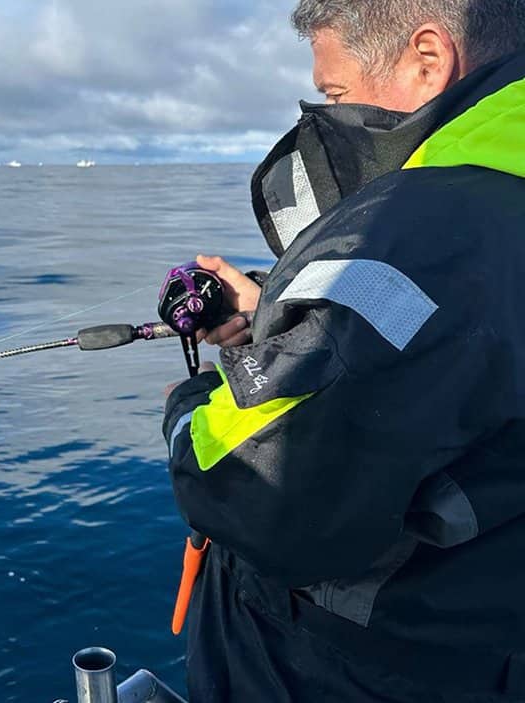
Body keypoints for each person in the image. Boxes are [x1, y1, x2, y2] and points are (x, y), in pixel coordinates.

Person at [162, 1, 525, 701]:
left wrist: (185, 407)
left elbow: (250, 485)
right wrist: (269, 305)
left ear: (428, 61)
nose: (328, 117)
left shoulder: (424, 231)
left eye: (334, 93)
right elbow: (448, 331)